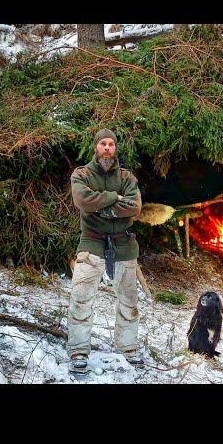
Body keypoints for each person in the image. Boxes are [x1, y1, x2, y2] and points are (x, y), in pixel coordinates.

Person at [67, 128, 144, 373]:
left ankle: (128, 347)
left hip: (123, 244)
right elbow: (82, 201)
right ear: (96, 147)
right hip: (92, 242)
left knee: (129, 300)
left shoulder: (127, 177)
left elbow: (135, 206)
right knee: (81, 297)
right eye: (103, 144)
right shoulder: (82, 174)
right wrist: (114, 197)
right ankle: (79, 350)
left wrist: (103, 208)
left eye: (111, 144)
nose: (107, 148)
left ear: (116, 148)